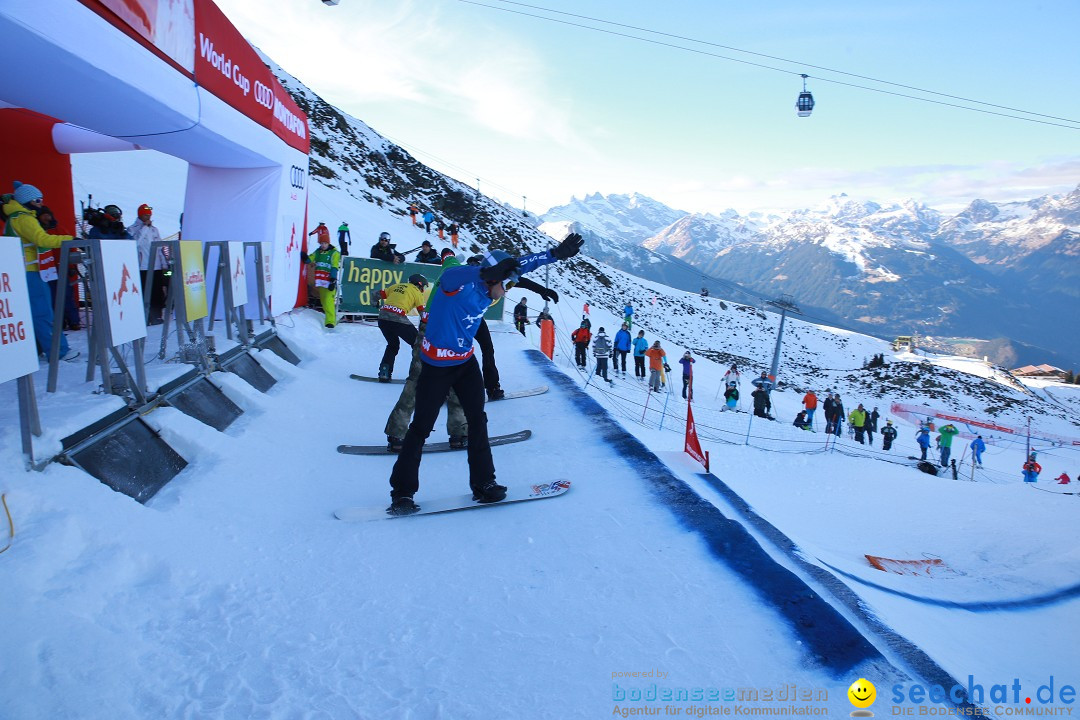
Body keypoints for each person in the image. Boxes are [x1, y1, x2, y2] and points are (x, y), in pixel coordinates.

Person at [386, 232, 584, 515]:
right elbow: (456, 274)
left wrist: (555, 254)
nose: (507, 291)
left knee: (478, 421)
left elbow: (523, 266)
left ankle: (484, 484)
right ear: (491, 277)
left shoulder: (492, 286)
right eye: (505, 284)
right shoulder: (456, 284)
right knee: (420, 429)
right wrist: (486, 270)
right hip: (435, 367)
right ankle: (402, 493)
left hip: (465, 364)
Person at [385, 253, 467, 452]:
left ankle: (396, 434)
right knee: (457, 382)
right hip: (449, 334)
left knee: (414, 381)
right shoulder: (463, 280)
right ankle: (459, 434)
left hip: (426, 331)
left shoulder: (440, 280)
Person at [2, 182, 75, 358]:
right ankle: (58, 352)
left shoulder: (15, 217)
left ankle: (41, 348)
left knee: (33, 311)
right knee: (42, 311)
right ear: (27, 200)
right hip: (32, 270)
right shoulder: (24, 218)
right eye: (37, 199)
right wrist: (71, 239)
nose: (41, 203)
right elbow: (41, 240)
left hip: (24, 270)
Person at [377, 274, 429, 381]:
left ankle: (384, 372)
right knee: (418, 345)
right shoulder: (416, 292)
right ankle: (417, 375)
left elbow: (375, 294)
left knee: (392, 345)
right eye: (423, 287)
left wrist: (375, 303)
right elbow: (423, 314)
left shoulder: (396, 286)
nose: (422, 289)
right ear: (419, 284)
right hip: (398, 318)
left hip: (382, 318)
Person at [127, 203, 168, 324]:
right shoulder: (132, 229)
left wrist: (164, 264)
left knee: (157, 292)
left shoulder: (155, 230)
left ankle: (156, 315)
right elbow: (134, 243)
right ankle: (144, 316)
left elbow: (159, 247)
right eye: (145, 215)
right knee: (143, 292)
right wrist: (144, 228)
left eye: (149, 215)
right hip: (142, 267)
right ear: (140, 215)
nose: (148, 217)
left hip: (156, 267)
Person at [300, 231, 340, 328]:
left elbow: (334, 266)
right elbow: (310, 259)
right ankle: (329, 317)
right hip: (321, 281)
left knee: (328, 301)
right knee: (323, 301)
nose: (323, 245)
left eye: (325, 243)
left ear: (328, 243)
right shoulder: (318, 252)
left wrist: (333, 279)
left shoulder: (334, 253)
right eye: (321, 243)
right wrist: (305, 257)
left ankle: (330, 321)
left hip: (329, 281)